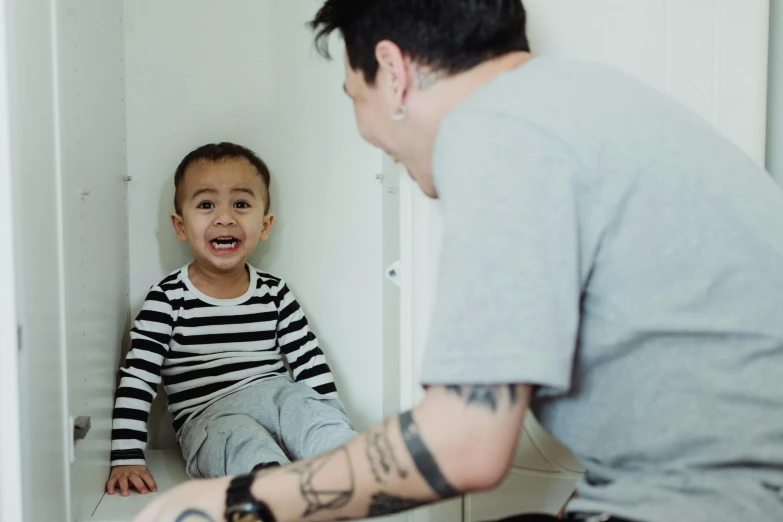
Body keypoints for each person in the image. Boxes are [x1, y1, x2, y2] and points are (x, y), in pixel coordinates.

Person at [132, 1, 783, 521]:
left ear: (392, 72)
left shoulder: (500, 136)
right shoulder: (580, 99)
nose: (366, 130)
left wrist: (240, 503)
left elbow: (466, 443)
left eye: (350, 94)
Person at [106, 142, 357, 497]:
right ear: (180, 225)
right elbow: (138, 378)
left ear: (265, 224)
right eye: (206, 205)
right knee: (240, 443)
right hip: (209, 417)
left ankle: (350, 467)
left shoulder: (274, 291)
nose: (225, 218)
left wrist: (327, 417)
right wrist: (127, 455)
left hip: (276, 399)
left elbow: (309, 361)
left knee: (306, 409)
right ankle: (272, 494)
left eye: (241, 204)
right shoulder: (167, 299)